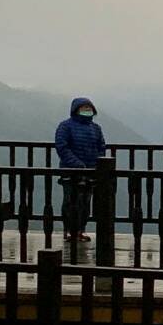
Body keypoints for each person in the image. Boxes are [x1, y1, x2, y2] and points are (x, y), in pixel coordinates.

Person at [54, 97, 106, 241]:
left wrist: (97, 164)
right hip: (70, 173)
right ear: (75, 110)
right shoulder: (65, 126)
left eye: (89, 108)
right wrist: (76, 164)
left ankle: (81, 230)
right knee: (71, 202)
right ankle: (70, 231)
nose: (87, 110)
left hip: (90, 173)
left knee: (85, 203)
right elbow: (62, 147)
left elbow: (101, 147)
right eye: (83, 108)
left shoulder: (96, 128)